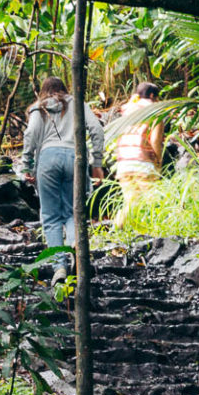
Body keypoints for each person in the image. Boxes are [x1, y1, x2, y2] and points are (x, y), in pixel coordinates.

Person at [18, 77, 105, 276]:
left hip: (47, 160)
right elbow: (97, 130)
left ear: (43, 91)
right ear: (64, 89)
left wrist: (27, 166)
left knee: (50, 217)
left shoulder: (38, 108)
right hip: (75, 159)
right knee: (73, 213)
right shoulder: (78, 104)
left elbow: (30, 134)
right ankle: (75, 245)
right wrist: (97, 163)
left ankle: (59, 269)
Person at [112, 81, 166, 228]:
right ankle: (159, 232)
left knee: (131, 201)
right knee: (154, 201)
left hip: (124, 162)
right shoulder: (155, 111)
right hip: (143, 161)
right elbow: (155, 139)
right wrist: (158, 160)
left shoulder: (127, 111)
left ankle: (119, 228)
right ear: (152, 95)